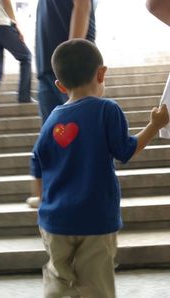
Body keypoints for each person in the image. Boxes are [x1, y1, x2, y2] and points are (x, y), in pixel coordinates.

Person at [30, 39, 169, 298]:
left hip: (54, 221)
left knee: (58, 280)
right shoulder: (107, 109)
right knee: (96, 284)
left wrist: (42, 202)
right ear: (101, 72)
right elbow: (125, 150)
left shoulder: (52, 119)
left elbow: (36, 162)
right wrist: (154, 125)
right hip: (95, 218)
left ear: (60, 86)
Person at [27, 0, 95, 208]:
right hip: (50, 66)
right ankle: (49, 191)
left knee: (78, 131)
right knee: (51, 134)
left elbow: (82, 4)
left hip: (69, 65)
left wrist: (71, 56)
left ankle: (87, 191)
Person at [0, 0, 35, 120]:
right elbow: (6, 1)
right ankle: (24, 97)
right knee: (26, 57)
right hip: (1, 24)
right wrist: (15, 23)